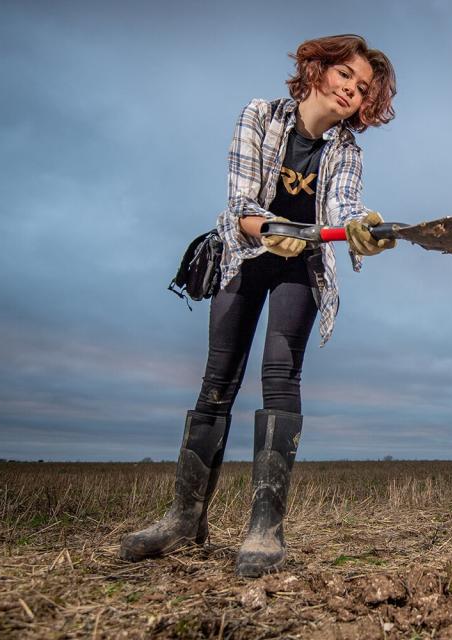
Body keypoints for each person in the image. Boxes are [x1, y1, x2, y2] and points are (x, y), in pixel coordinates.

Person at [119, 34, 397, 577]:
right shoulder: (260, 115)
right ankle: (184, 520)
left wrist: (362, 228)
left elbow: (344, 207)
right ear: (318, 70)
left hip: (301, 262)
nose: (352, 90)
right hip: (245, 251)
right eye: (346, 75)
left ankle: (265, 528)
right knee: (217, 380)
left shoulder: (346, 152)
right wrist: (270, 227)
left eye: (363, 88)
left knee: (280, 373)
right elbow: (239, 201)